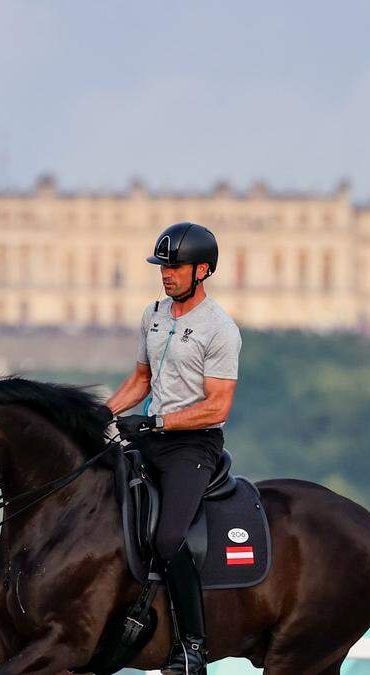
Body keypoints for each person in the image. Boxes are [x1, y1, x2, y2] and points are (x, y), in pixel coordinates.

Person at [103, 222, 242, 675]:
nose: (166, 273)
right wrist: (100, 416)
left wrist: (160, 420)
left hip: (192, 444)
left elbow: (217, 406)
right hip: (152, 435)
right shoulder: (154, 314)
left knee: (167, 537)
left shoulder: (220, 329)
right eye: (163, 265)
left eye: (176, 266)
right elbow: (140, 381)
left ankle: (193, 647)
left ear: (202, 270)